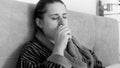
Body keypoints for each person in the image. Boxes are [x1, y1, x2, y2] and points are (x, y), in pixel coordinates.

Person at [16, 0, 105, 68]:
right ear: (39, 23)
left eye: (65, 17)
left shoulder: (74, 44)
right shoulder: (30, 51)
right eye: (55, 18)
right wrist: (58, 49)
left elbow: (95, 61)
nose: (62, 23)